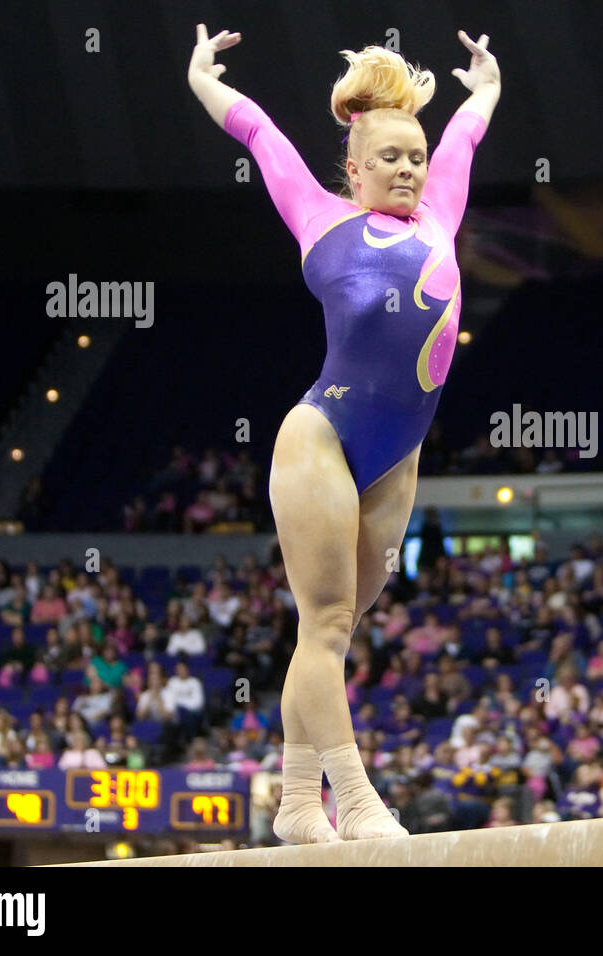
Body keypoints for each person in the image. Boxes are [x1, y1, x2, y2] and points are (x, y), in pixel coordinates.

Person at [188, 23, 500, 844]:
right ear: (354, 168)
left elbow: (467, 132)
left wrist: (487, 85)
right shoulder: (320, 218)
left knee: (325, 636)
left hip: (397, 460)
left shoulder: (441, 216)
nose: (408, 168)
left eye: (415, 157)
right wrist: (202, 77)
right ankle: (356, 798)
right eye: (390, 158)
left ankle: (296, 802)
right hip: (320, 436)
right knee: (326, 626)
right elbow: (259, 132)